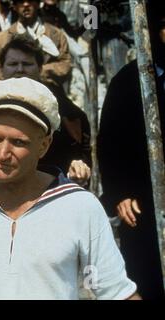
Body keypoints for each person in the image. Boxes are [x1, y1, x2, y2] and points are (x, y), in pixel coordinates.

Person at [0, 77, 140, 300]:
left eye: (18, 142)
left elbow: (115, 292)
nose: (2, 153)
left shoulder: (80, 207)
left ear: (44, 145)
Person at [97, 4, 165, 300]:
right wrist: (120, 194)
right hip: (141, 206)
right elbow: (109, 146)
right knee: (146, 278)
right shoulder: (126, 82)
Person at [0, 33, 91, 185]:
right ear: (2, 68)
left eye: (27, 64)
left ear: (40, 68)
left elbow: (79, 152)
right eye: (13, 64)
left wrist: (76, 169)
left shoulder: (63, 110)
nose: (20, 69)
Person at [0, 0, 71, 87]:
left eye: (30, 1)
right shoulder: (0, 38)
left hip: (49, 90)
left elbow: (65, 66)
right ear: (14, 6)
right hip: (11, 93)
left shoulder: (56, 34)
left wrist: (36, 73)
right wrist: (17, 81)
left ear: (38, 4)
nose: (26, 4)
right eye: (21, 1)